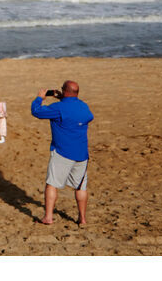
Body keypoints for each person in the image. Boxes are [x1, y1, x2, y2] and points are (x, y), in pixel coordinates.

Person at [31, 81, 94, 227]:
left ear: (64, 91)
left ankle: (48, 217)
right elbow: (87, 116)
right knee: (80, 187)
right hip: (81, 153)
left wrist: (40, 97)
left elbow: (36, 111)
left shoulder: (58, 108)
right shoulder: (84, 107)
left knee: (52, 184)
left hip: (62, 152)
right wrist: (64, 99)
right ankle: (82, 219)